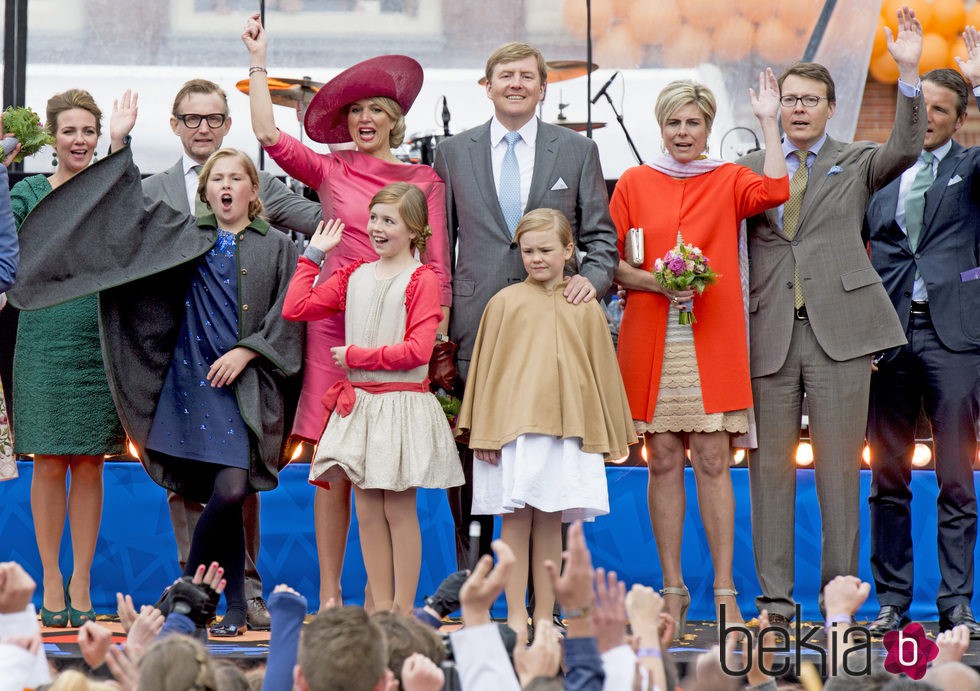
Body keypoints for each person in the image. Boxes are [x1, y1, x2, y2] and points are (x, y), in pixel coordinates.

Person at [242, 14, 453, 609]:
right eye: (354, 112)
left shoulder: (423, 180)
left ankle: (387, 600)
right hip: (334, 316)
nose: (363, 120)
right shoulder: (330, 168)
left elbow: (436, 264)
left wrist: (431, 336)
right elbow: (266, 133)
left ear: (395, 120)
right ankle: (332, 596)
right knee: (331, 461)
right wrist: (260, 60)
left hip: (399, 322)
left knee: (386, 469)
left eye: (375, 111)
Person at [736, 6, 926, 629]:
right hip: (769, 332)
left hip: (839, 333)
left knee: (842, 471)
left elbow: (904, 146)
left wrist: (906, 73)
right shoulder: (752, 169)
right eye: (789, 100)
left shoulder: (857, 160)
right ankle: (775, 604)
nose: (798, 109)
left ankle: (838, 603)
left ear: (829, 108)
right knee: (769, 474)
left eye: (810, 100)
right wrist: (764, 134)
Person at [609, 72, 788, 638]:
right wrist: (657, 283)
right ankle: (672, 591)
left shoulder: (730, 177)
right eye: (673, 122)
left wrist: (767, 122)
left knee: (713, 460)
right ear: (659, 127)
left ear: (709, 127)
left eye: (693, 122)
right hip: (650, 334)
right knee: (661, 458)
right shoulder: (634, 181)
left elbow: (777, 190)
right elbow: (611, 261)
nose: (683, 132)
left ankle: (725, 594)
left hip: (711, 336)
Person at [142, 77, 322, 632]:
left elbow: (290, 307)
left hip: (244, 384)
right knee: (199, 488)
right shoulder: (182, 232)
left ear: (253, 188)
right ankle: (220, 602)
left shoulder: (275, 242)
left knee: (234, 489)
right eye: (217, 180)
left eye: (235, 179)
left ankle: (203, 596)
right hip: (191, 382)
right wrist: (119, 143)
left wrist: (248, 352)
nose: (225, 186)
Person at [433, 41, 618, 567]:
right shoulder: (453, 152)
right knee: (474, 460)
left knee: (546, 463)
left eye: (526, 76)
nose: (516, 84)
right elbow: (439, 247)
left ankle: (545, 602)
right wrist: (439, 326)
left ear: (543, 87)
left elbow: (600, 238)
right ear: (486, 86)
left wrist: (594, 281)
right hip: (476, 329)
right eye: (505, 75)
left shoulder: (576, 151)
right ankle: (470, 584)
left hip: (553, 330)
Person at [282, 183, 463, 614]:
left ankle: (402, 608)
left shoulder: (423, 280)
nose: (377, 228)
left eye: (389, 221)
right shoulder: (354, 275)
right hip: (361, 405)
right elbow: (296, 307)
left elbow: (418, 351)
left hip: (399, 405)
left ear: (415, 229)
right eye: (374, 218)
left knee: (398, 511)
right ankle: (380, 608)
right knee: (366, 512)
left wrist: (356, 356)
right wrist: (314, 255)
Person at [456, 208, 633, 635]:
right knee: (514, 522)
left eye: (546, 250)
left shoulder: (585, 305)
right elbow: (487, 375)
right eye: (528, 251)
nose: (536, 258)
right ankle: (515, 615)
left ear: (569, 250)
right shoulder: (503, 303)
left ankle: (543, 615)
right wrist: (485, 431)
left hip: (565, 432)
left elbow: (600, 371)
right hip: (514, 433)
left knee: (551, 523)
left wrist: (612, 431)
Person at [863, 63, 980, 638]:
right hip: (886, 336)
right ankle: (892, 600)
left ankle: (955, 604)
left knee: (956, 476)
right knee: (888, 477)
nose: (927, 118)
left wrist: (979, 85)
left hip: (953, 337)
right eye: (920, 106)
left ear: (960, 119)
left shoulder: (970, 168)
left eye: (940, 109)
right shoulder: (880, 171)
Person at [10, 88, 133, 627]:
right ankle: (52, 580)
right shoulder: (29, 191)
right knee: (47, 462)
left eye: (88, 130)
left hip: (95, 334)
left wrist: (120, 143)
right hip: (40, 335)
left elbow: (135, 218)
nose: (79, 140)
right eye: (69, 131)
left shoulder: (107, 185)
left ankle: (81, 578)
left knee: (89, 463)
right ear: (52, 138)